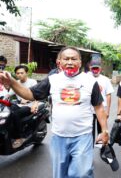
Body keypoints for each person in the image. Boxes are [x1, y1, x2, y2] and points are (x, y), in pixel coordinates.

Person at [0, 47, 109, 178]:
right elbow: (30, 94)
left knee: (82, 173)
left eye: (74, 59)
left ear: (80, 62)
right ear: (59, 62)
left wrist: (104, 130)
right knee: (60, 175)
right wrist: (11, 82)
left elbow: (99, 107)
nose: (70, 62)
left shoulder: (90, 81)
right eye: (66, 59)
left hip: (83, 136)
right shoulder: (53, 80)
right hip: (59, 137)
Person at [7, 65, 39, 148]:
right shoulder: (16, 83)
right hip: (19, 105)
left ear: (26, 73)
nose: (19, 75)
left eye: (22, 73)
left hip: (30, 105)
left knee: (15, 114)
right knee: (7, 112)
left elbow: (37, 95)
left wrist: (30, 101)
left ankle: (19, 137)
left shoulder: (32, 82)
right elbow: (8, 94)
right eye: (17, 73)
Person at [88, 58, 114, 143]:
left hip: (102, 110)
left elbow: (108, 95)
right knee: (89, 133)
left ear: (100, 68)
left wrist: (108, 111)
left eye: (97, 68)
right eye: (93, 68)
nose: (95, 71)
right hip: (89, 111)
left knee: (102, 133)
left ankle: (103, 151)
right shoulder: (86, 79)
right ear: (90, 68)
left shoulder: (105, 80)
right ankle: (89, 149)